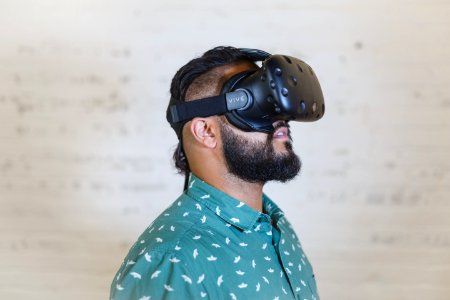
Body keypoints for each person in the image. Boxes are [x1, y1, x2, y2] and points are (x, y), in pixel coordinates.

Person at [110, 46, 321, 300]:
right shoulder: (172, 261)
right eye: (257, 103)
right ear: (206, 132)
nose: (280, 119)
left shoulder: (275, 226)